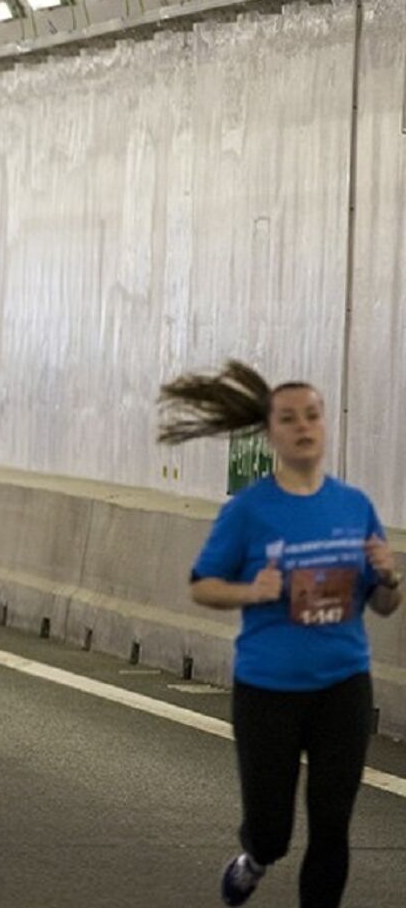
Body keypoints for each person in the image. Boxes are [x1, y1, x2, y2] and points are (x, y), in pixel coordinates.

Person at [160, 362, 400, 908]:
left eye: (313, 415)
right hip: (268, 690)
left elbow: (384, 604)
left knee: (332, 824)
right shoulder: (248, 511)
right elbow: (203, 585)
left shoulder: (355, 505)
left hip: (343, 685)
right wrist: (254, 592)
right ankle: (254, 859)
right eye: (289, 419)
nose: (304, 426)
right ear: (272, 434)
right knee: (273, 830)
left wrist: (389, 575)